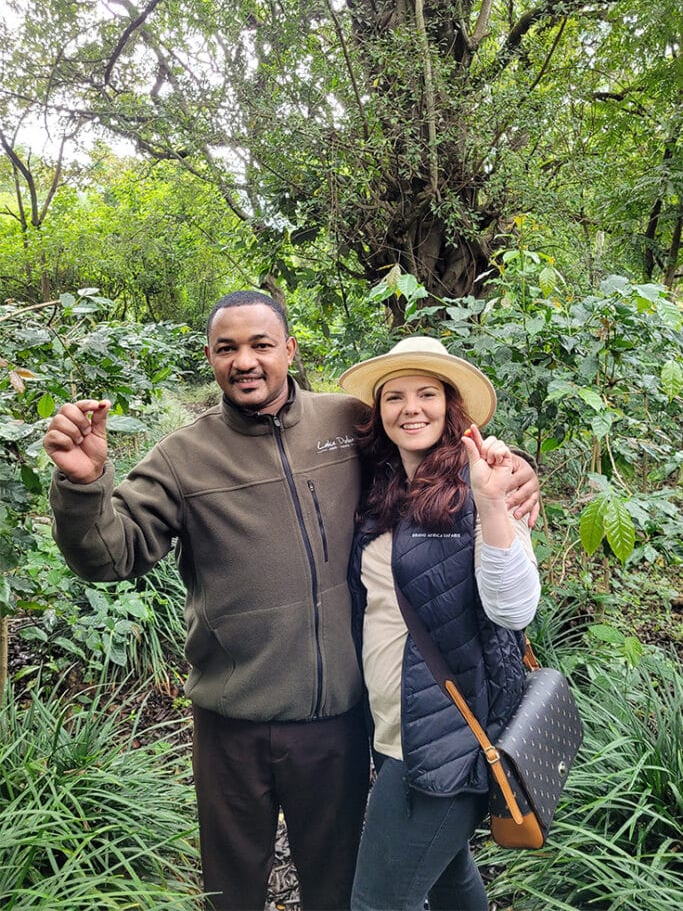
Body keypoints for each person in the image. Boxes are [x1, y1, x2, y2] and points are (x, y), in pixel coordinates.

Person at [42, 292, 541, 911]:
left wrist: (513, 468)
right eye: (227, 348)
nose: (245, 361)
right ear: (210, 358)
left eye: (260, 345)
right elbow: (109, 558)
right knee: (233, 888)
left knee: (336, 882)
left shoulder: (346, 423)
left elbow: (434, 442)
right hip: (233, 717)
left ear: (289, 351)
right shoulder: (183, 457)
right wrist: (85, 484)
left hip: (337, 717)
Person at [338, 336, 541, 911]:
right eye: (395, 396)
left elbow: (514, 608)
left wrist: (495, 501)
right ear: (378, 412)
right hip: (389, 727)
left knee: (376, 903)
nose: (411, 408)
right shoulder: (381, 490)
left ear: (451, 407)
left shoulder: (482, 485)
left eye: (427, 394)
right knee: (450, 880)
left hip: (442, 739)